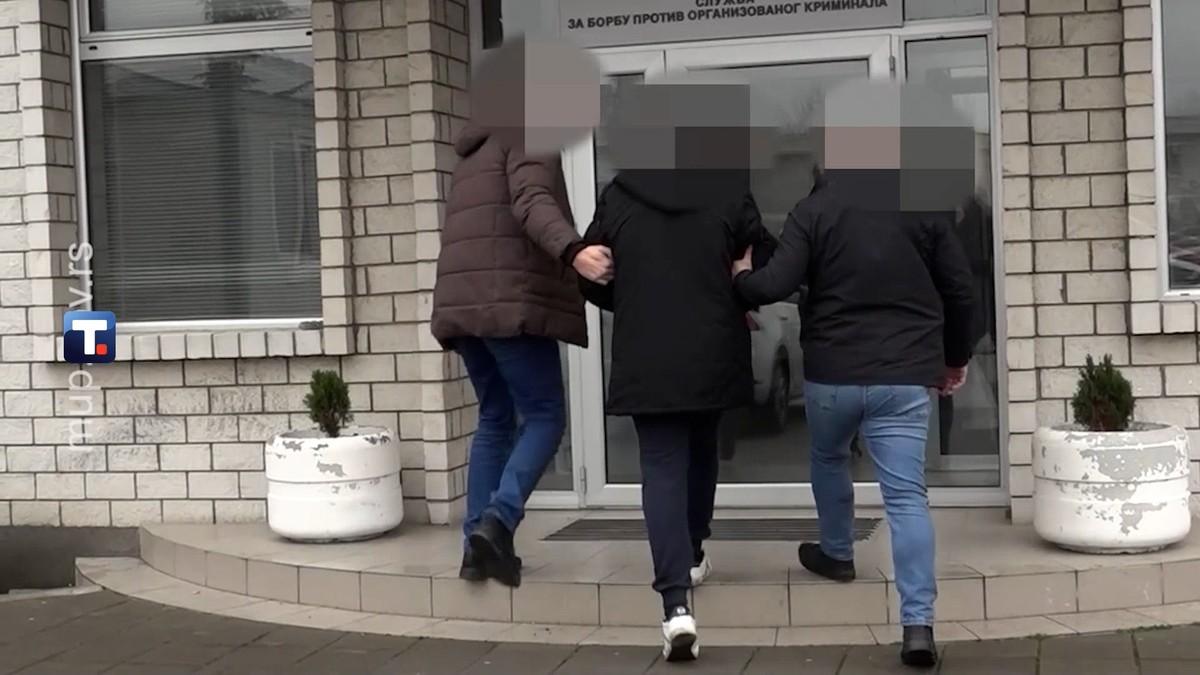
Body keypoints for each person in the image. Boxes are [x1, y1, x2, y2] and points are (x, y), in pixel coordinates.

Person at [731, 139, 976, 667]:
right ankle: (917, 626)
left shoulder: (813, 210)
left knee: (828, 456)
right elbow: (961, 291)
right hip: (904, 378)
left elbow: (775, 283)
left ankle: (838, 552)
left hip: (833, 375)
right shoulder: (923, 206)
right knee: (906, 497)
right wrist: (954, 358)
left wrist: (741, 276)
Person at [580, 166, 775, 662]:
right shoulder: (728, 189)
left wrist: (633, 298)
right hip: (711, 345)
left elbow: (592, 276)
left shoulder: (620, 195)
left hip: (646, 350)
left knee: (662, 468)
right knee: (703, 448)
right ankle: (691, 553)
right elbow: (764, 263)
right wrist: (736, 279)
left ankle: (676, 607)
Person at [430, 126, 613, 589]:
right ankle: (499, 519)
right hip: (507, 302)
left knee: (494, 418)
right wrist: (573, 251)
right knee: (545, 417)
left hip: (462, 304)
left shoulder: (475, 150)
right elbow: (531, 200)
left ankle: (476, 552)